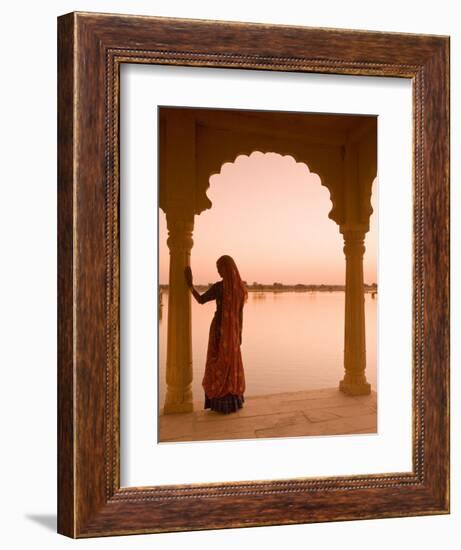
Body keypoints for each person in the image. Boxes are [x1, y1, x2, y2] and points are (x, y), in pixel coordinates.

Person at [184, 255, 247, 414]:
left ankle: (219, 400)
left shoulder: (220, 287)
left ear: (226, 268)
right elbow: (240, 315)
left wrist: (190, 286)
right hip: (233, 333)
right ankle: (233, 401)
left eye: (219, 268)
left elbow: (201, 299)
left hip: (219, 331)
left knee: (216, 363)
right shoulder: (240, 288)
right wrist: (239, 335)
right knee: (229, 365)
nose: (218, 271)